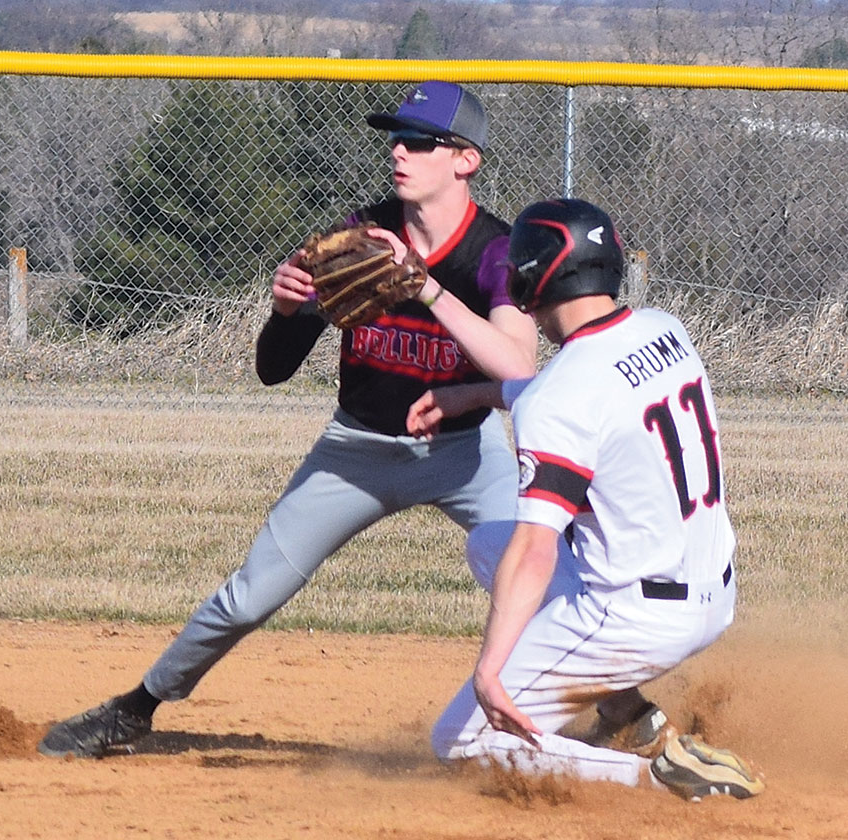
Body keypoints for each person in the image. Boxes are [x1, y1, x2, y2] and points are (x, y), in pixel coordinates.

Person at [38, 81, 540, 758]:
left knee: (538, 570)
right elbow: (273, 369)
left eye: (419, 140)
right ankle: (136, 708)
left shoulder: (495, 252)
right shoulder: (354, 237)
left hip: (463, 454)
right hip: (354, 450)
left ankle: (618, 704)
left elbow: (519, 371)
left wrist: (426, 285)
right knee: (248, 597)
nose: (399, 150)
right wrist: (286, 310)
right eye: (395, 137)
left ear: (464, 160)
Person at [405, 198, 765, 801]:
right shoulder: (663, 329)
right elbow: (583, 394)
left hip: (633, 617)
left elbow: (536, 546)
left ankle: (663, 778)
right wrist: (473, 395)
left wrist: (490, 671)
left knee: (460, 741)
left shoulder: (562, 397)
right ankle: (628, 712)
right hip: (710, 591)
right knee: (486, 544)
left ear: (540, 276)